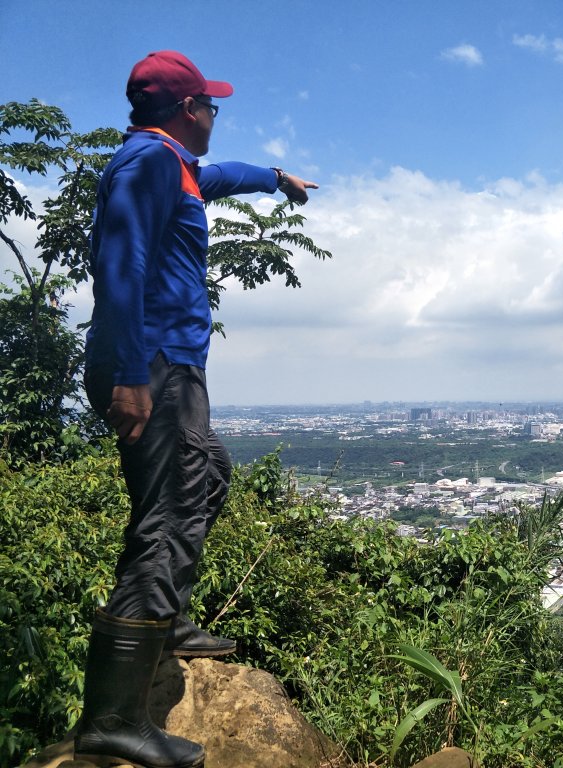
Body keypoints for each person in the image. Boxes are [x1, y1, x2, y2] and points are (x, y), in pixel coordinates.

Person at [75, 50, 318, 768]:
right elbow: (119, 264)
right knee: (167, 518)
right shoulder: (145, 165)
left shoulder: (174, 166)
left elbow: (220, 176)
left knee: (205, 477)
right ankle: (113, 719)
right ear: (187, 111)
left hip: (170, 365)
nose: (216, 114)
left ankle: (167, 616)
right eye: (210, 104)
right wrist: (128, 373)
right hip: (150, 366)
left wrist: (276, 180)